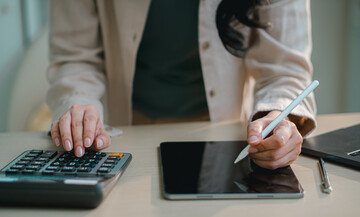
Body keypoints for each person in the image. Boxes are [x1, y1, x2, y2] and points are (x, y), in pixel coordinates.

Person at [47, 0, 316, 170]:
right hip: (125, 131)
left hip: (222, 135)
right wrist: (79, 103)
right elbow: (75, 56)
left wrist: (276, 118)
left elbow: (285, 70)